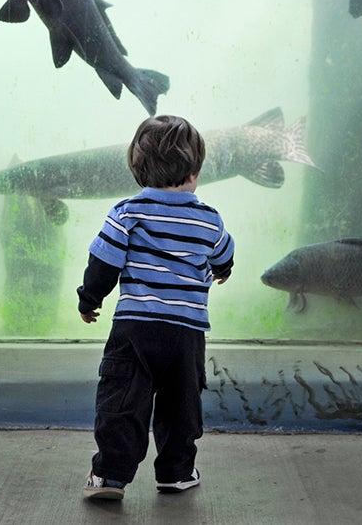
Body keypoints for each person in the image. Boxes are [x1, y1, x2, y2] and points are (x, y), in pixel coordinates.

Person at [78, 115, 234, 501]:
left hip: (135, 328)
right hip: (186, 333)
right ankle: (176, 473)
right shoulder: (209, 218)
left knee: (121, 401)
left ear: (136, 168)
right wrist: (222, 270)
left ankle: (110, 476)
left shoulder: (127, 213)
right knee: (182, 406)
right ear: (195, 171)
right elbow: (225, 254)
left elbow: (104, 263)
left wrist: (89, 298)